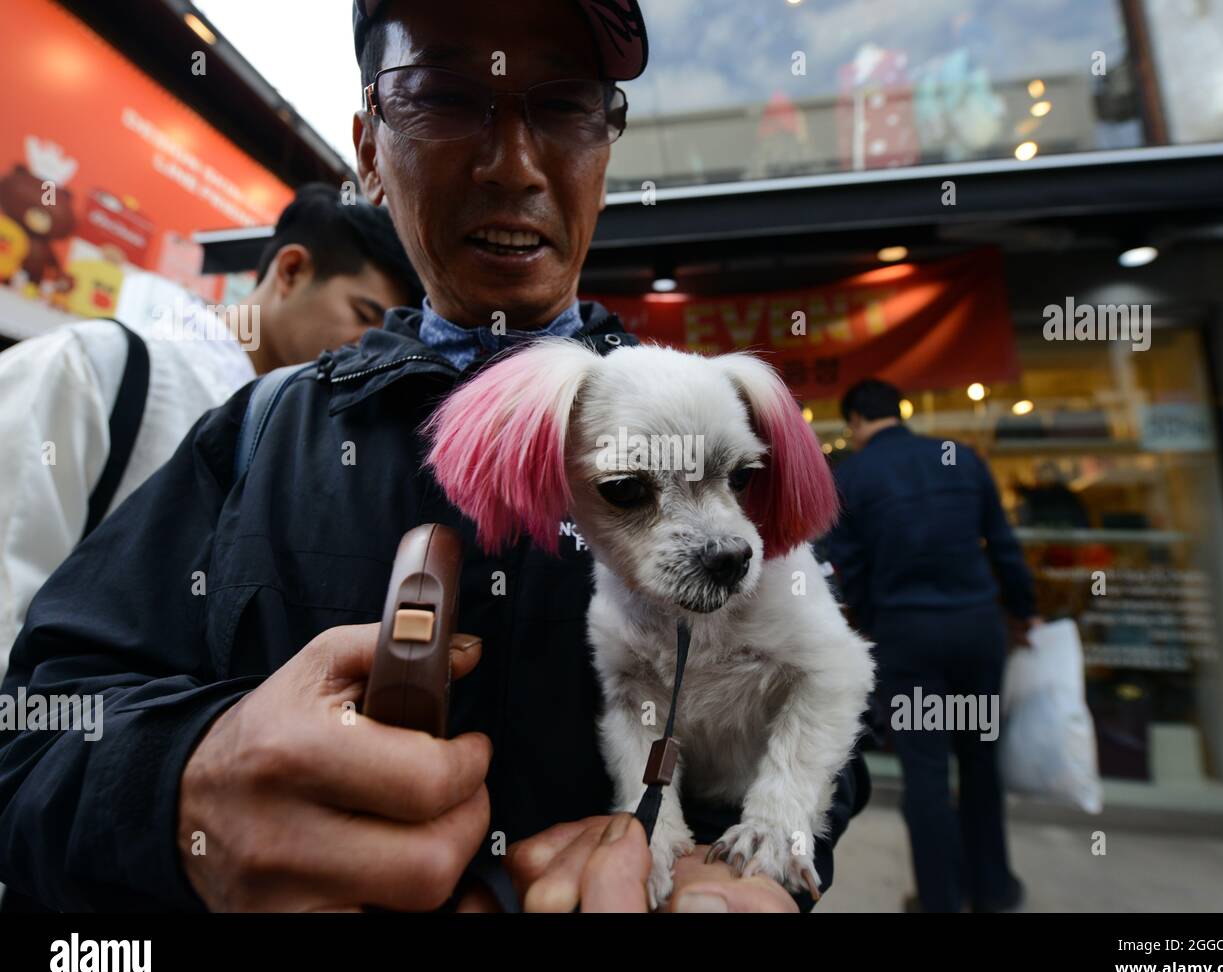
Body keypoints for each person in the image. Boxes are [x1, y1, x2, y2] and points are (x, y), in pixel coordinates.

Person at [0, 0, 868, 913]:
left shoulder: (709, 413)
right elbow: (36, 729)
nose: (513, 165)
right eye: (446, 97)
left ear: (605, 155)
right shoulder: (256, 437)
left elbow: (823, 672)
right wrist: (184, 788)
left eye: (566, 106)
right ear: (369, 151)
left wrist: (774, 844)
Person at [0, 183, 421, 681]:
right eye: (363, 316)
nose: (369, 349)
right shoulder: (97, 365)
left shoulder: (309, 448)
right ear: (291, 271)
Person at [824, 378, 1038, 913]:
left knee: (925, 774)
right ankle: (993, 890)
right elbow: (1004, 545)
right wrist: (1024, 608)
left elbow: (845, 568)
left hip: (907, 636)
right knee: (979, 763)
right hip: (976, 629)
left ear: (854, 422)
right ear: (902, 410)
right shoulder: (961, 459)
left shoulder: (851, 475)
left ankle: (939, 899)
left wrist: (870, 626)